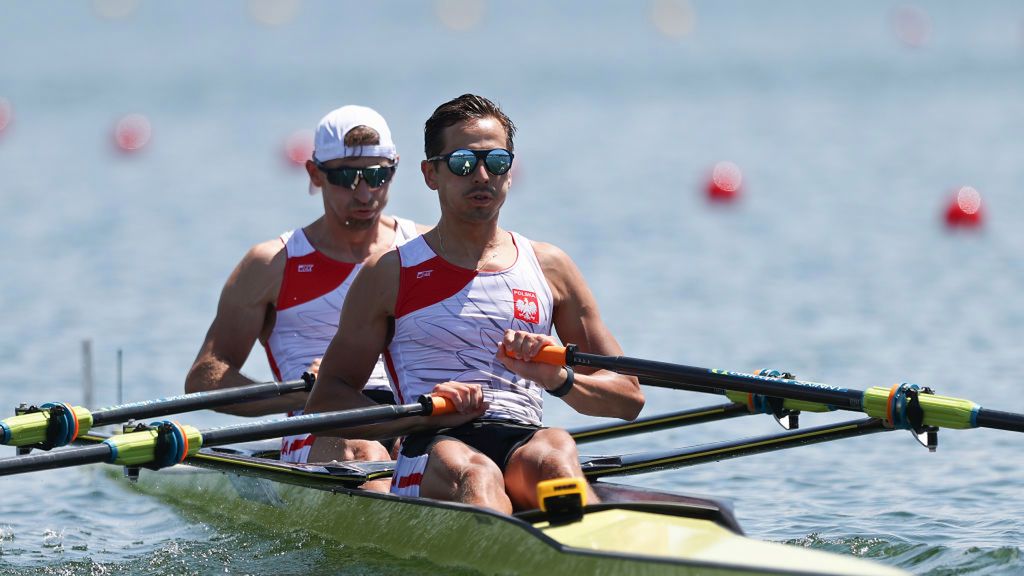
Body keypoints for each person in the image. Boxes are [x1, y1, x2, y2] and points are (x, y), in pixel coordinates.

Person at [306, 94, 644, 513]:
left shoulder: (550, 267)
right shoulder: (390, 273)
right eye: (464, 163)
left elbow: (628, 398)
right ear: (431, 174)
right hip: (431, 447)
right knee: (476, 473)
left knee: (557, 453)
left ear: (511, 171)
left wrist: (559, 380)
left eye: (496, 162)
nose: (482, 175)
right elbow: (327, 399)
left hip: (521, 437)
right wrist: (421, 416)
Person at [184, 104, 428, 477]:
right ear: (315, 174)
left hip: (410, 415)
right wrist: (298, 393)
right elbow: (205, 378)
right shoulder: (272, 264)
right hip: (318, 423)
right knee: (365, 452)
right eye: (346, 176)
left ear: (395, 168)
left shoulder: (423, 249)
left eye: (377, 175)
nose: (364, 194)